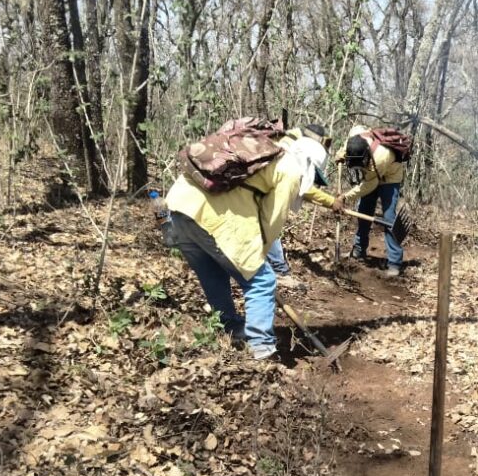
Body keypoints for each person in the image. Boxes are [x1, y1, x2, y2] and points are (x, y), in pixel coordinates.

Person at [165, 133, 341, 360]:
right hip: (213, 217)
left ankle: (231, 328)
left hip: (179, 208)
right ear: (309, 164)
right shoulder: (290, 169)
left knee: (213, 273)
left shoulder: (267, 154)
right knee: (262, 280)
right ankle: (263, 350)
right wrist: (258, 259)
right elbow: (272, 221)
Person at [265, 124, 337, 289]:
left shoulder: (292, 142)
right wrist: (331, 202)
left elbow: (302, 187)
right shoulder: (291, 149)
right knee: (272, 222)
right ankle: (279, 271)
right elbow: (302, 186)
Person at [339, 125, 405, 276]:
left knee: (389, 218)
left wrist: (345, 196)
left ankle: (394, 263)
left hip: (390, 178)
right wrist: (339, 155)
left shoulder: (381, 155)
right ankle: (359, 250)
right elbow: (344, 149)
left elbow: (369, 185)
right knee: (363, 212)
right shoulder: (353, 139)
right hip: (371, 174)